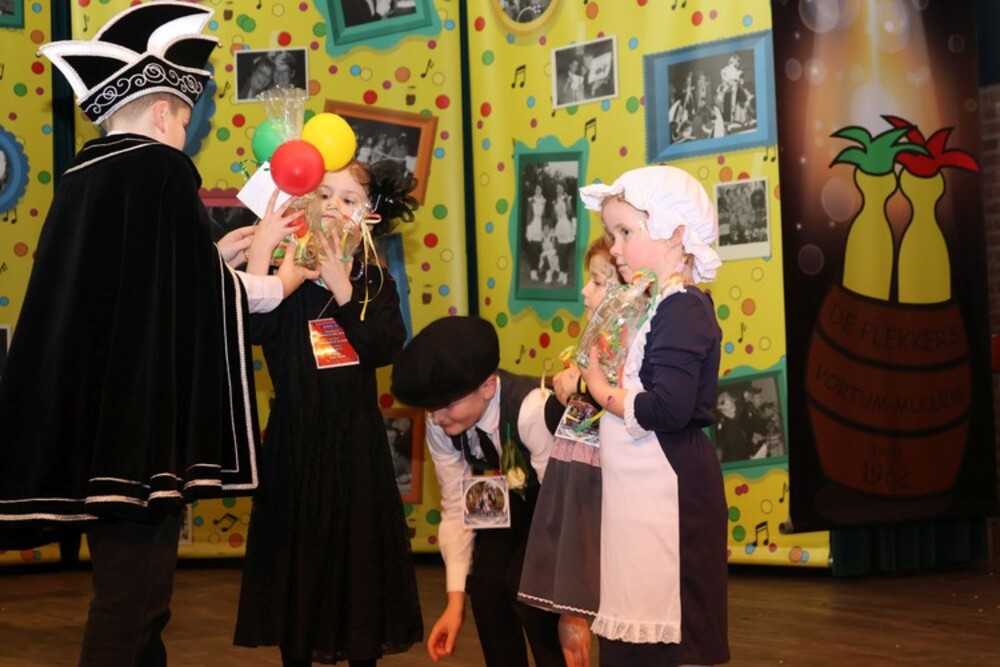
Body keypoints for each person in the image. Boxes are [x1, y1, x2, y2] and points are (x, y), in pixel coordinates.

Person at [0, 4, 315, 665]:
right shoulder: (162, 171)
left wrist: (215, 256)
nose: (187, 132)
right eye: (188, 118)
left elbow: (138, 291)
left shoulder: (85, 175)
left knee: (135, 599)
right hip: (136, 434)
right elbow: (190, 301)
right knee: (134, 601)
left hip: (97, 426)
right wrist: (280, 282)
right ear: (166, 113)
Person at [234, 158, 424, 666]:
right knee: (296, 562)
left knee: (357, 562)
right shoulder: (288, 278)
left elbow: (384, 345)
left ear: (369, 215)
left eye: (348, 198)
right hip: (295, 440)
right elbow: (253, 329)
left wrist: (343, 287)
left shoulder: (373, 281)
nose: (334, 207)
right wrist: (261, 259)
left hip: (355, 443)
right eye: (323, 195)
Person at [576, 165, 730, 666]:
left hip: (668, 487)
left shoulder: (683, 308)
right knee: (637, 627)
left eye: (626, 232)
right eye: (611, 234)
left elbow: (668, 407)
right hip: (641, 491)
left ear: (676, 233)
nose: (615, 248)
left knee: (670, 632)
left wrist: (600, 389)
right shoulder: (652, 305)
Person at [390, 316, 565, 667]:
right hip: (507, 501)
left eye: (446, 406)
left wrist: (572, 614)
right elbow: (457, 508)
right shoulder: (444, 425)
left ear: (487, 387)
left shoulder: (530, 409)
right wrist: (454, 604)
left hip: (559, 507)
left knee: (526, 588)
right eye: (430, 409)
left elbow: (562, 506)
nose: (437, 418)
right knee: (485, 588)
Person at [518, 236, 625, 667]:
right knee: (572, 604)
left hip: (602, 488)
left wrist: (579, 383)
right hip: (576, 482)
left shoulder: (627, 348)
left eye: (598, 281)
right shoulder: (594, 344)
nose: (584, 291)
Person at [714, 390, 760, 463]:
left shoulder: (730, 422)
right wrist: (753, 444)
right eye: (731, 407)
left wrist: (752, 439)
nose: (735, 409)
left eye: (734, 405)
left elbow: (740, 441)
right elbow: (738, 450)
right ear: (722, 410)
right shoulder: (727, 426)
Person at [552, 181, 576, 285]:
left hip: (566, 227)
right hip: (559, 228)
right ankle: (561, 274)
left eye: (560, 187)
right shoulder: (555, 201)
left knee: (564, 254)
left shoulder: (567, 199)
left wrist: (573, 229)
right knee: (560, 253)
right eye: (557, 187)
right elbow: (554, 216)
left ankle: (565, 275)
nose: (558, 189)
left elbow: (572, 214)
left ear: (563, 189)